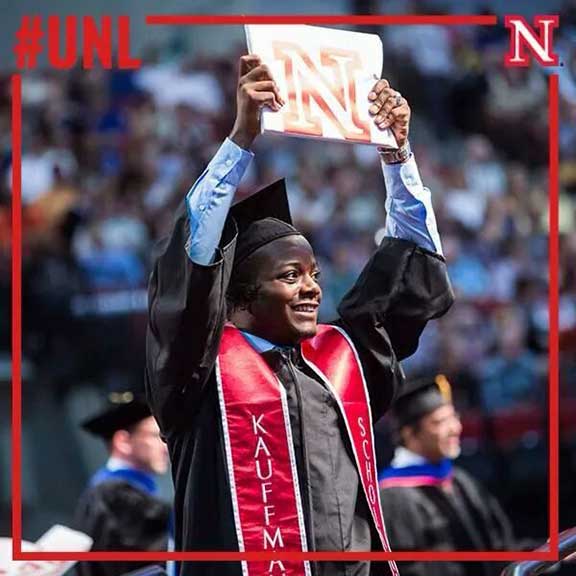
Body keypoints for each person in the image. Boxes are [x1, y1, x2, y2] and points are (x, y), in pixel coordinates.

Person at [145, 54, 454, 576]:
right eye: (290, 276)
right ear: (239, 299)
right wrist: (241, 139)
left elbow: (408, 265)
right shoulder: (197, 375)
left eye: (312, 274)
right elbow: (190, 267)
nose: (311, 288)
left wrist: (397, 155)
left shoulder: (342, 358)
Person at [378, 375, 515, 576]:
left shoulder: (460, 480)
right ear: (409, 433)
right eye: (440, 422)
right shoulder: (393, 498)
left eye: (454, 418)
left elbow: (501, 545)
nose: (455, 429)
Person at [75, 392, 171, 576]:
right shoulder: (111, 494)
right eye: (155, 436)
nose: (165, 447)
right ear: (123, 441)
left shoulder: (130, 491)